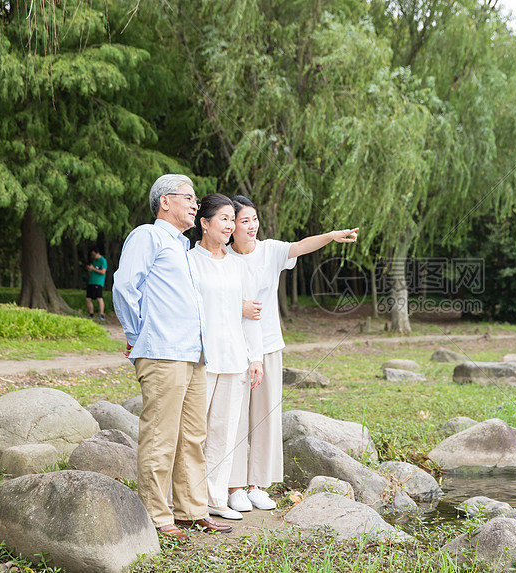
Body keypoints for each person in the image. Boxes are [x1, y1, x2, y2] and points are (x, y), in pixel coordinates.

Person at [113, 174, 232, 541]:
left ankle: (192, 510)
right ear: (165, 201)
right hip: (162, 351)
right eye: (189, 197)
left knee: (192, 437)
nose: (195, 204)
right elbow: (123, 286)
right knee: (161, 435)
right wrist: (137, 335)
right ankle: (155, 513)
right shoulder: (147, 237)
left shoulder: (180, 247)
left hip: (192, 353)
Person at [227, 195, 358, 512]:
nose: (252, 226)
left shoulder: (269, 250)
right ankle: (233, 487)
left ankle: (257, 484)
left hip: (269, 345)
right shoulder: (223, 257)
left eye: (255, 219)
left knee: (263, 418)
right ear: (230, 226)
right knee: (234, 417)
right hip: (232, 347)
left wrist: (330, 236)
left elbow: (300, 246)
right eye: (245, 221)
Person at [186, 193, 264, 521]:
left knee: (225, 430)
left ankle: (217, 499)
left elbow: (251, 314)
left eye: (234, 219)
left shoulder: (236, 264)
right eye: (225, 219)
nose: (231, 226)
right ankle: (188, 500)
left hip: (235, 358)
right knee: (193, 433)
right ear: (204, 223)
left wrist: (255, 357)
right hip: (201, 358)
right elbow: (191, 308)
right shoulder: (189, 260)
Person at [85, 247, 107, 320]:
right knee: (88, 298)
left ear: (98, 253)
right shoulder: (95, 261)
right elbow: (94, 270)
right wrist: (90, 269)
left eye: (94, 255)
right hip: (92, 281)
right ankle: (91, 313)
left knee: (99, 298)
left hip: (98, 282)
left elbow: (103, 272)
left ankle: (101, 314)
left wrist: (93, 268)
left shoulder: (103, 261)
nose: (93, 257)